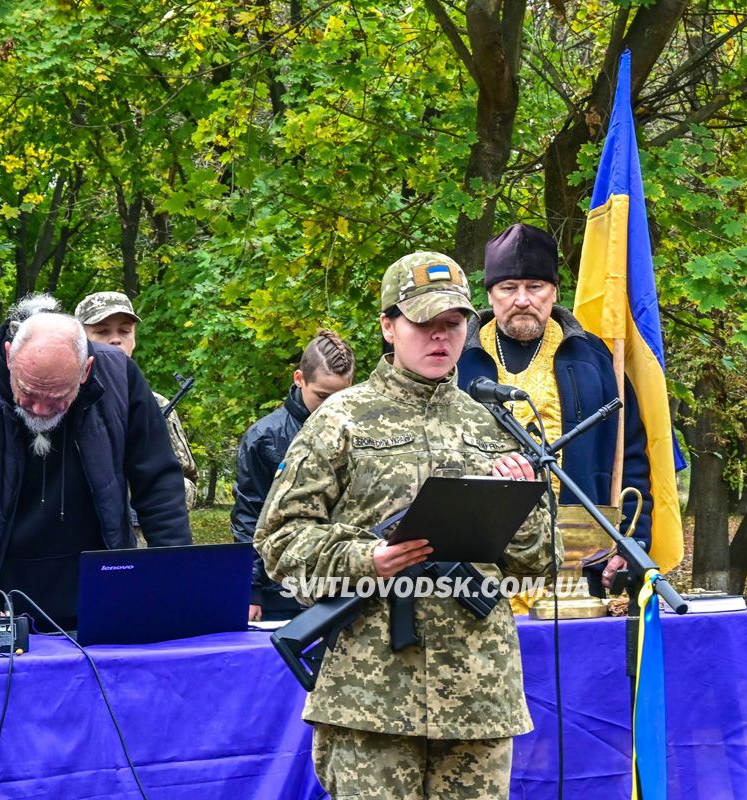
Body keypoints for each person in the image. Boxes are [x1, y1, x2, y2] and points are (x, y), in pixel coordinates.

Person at [256, 252, 560, 799]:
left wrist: (519, 509)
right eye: (424, 323)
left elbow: (540, 564)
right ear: (389, 326)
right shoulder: (341, 418)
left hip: (477, 694)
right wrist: (365, 559)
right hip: (372, 695)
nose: (440, 337)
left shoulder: (492, 422)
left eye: (453, 324)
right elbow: (278, 539)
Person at [0, 311, 192, 630]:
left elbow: (158, 486)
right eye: (28, 393)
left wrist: (174, 578)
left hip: (103, 593)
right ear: (9, 358)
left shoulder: (119, 379)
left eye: (58, 397)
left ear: (86, 370)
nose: (41, 411)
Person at [458, 222, 652, 553]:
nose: (522, 300)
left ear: (554, 291)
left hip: (578, 556)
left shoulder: (595, 358)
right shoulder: (458, 359)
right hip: (476, 556)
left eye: (535, 287)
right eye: (508, 288)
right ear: (489, 294)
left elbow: (630, 454)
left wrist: (631, 543)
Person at [231, 329, 355, 622]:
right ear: (299, 379)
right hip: (280, 590)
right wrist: (251, 591)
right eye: (322, 396)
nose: (331, 407)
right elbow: (248, 515)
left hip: (342, 586)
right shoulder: (264, 437)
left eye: (342, 396)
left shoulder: (362, 431)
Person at [75, 291, 198, 509]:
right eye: (102, 331)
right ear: (79, 340)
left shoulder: (156, 405)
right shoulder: (61, 402)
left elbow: (188, 482)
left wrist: (146, 483)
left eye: (125, 331)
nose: (115, 339)